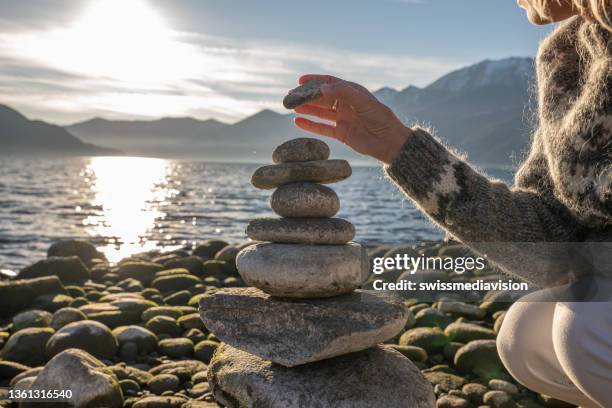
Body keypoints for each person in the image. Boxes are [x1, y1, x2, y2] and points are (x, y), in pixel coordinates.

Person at [290, 1, 612, 407]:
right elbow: (552, 242)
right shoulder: (567, 55)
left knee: (588, 329)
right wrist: (398, 146)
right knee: (528, 336)